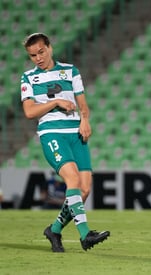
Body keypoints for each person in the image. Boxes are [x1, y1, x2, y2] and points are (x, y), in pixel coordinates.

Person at [20, 33, 110, 252]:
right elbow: (29, 111)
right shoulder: (28, 78)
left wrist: (85, 119)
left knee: (85, 189)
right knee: (73, 179)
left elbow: (83, 104)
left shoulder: (71, 71)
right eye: (33, 55)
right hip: (52, 134)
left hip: (76, 134)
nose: (38, 58)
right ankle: (85, 234)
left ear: (49, 48)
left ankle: (55, 230)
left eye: (41, 52)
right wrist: (56, 102)